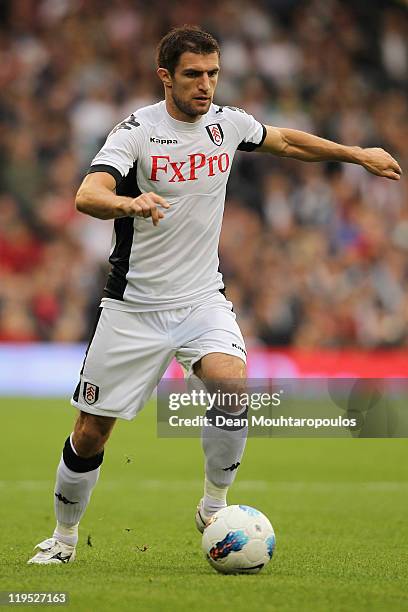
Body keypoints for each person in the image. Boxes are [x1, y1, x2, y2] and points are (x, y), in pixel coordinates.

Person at [28, 25, 401, 564]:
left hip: (203, 297)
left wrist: (355, 153)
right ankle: (63, 540)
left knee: (232, 385)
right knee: (90, 433)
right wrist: (129, 205)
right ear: (165, 77)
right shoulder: (136, 133)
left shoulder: (227, 125)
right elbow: (89, 193)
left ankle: (214, 506)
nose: (206, 85)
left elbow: (288, 141)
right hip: (133, 308)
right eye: (193, 75)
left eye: (213, 74)